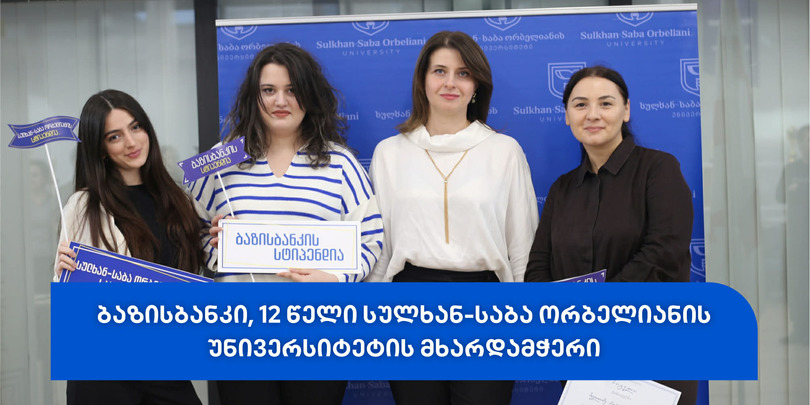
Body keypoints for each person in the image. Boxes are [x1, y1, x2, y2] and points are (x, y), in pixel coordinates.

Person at [187, 42, 383, 405]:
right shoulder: (222, 159)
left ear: (309, 95)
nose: (280, 101)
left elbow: (371, 239)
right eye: (269, 90)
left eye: (292, 90)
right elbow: (191, 232)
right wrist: (216, 247)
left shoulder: (340, 164)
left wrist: (336, 277)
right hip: (240, 332)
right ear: (254, 97)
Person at [368, 31, 539, 405]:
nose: (450, 83)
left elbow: (522, 243)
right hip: (408, 307)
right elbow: (380, 246)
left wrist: (525, 318)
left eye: (463, 73)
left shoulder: (504, 151)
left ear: (476, 85)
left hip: (487, 307)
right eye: (440, 71)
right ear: (422, 81)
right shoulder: (389, 153)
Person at [524, 65, 697, 405]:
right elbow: (539, 265)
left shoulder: (659, 169)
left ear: (626, 110)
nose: (593, 114)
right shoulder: (562, 189)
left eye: (605, 103)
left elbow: (664, 252)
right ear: (567, 116)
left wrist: (599, 311)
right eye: (580, 105)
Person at [54, 89, 203, 405]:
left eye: (136, 127)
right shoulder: (83, 206)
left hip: (164, 363)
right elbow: (72, 308)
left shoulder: (180, 201)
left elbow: (196, 278)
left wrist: (221, 240)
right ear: (101, 149)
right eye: (115, 136)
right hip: (102, 370)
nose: (132, 142)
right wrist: (62, 276)